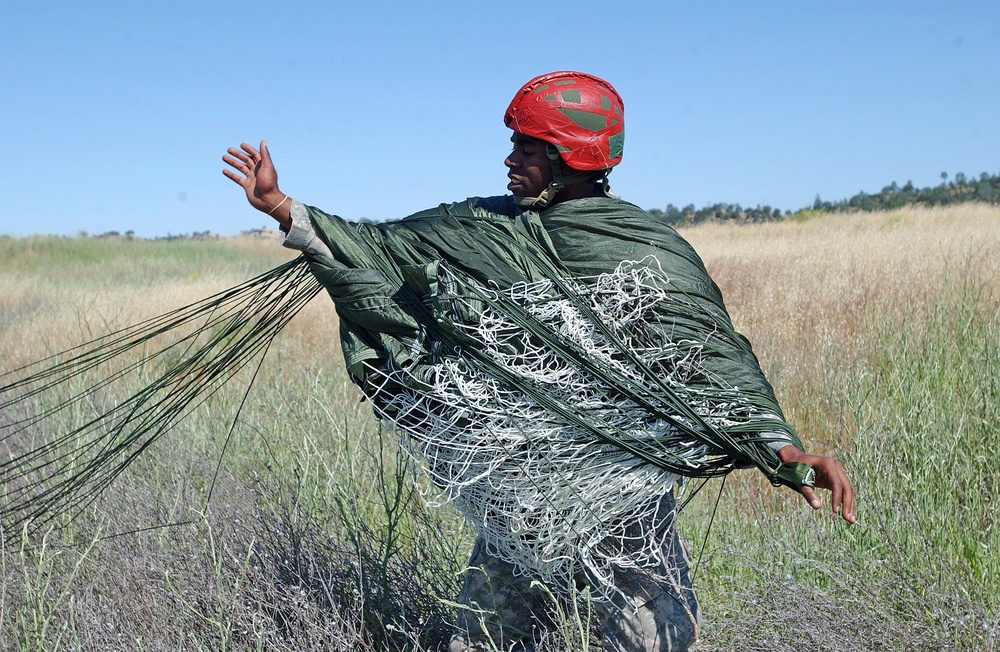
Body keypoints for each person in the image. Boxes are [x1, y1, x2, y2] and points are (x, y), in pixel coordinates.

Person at [223, 71, 855, 652]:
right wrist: (281, 206)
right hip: (521, 494)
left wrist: (787, 455)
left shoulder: (642, 250)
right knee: (483, 640)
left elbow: (716, 359)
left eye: (526, 148)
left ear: (568, 159)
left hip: (622, 500)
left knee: (656, 639)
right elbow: (379, 250)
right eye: (514, 145)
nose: (510, 159)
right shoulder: (484, 228)